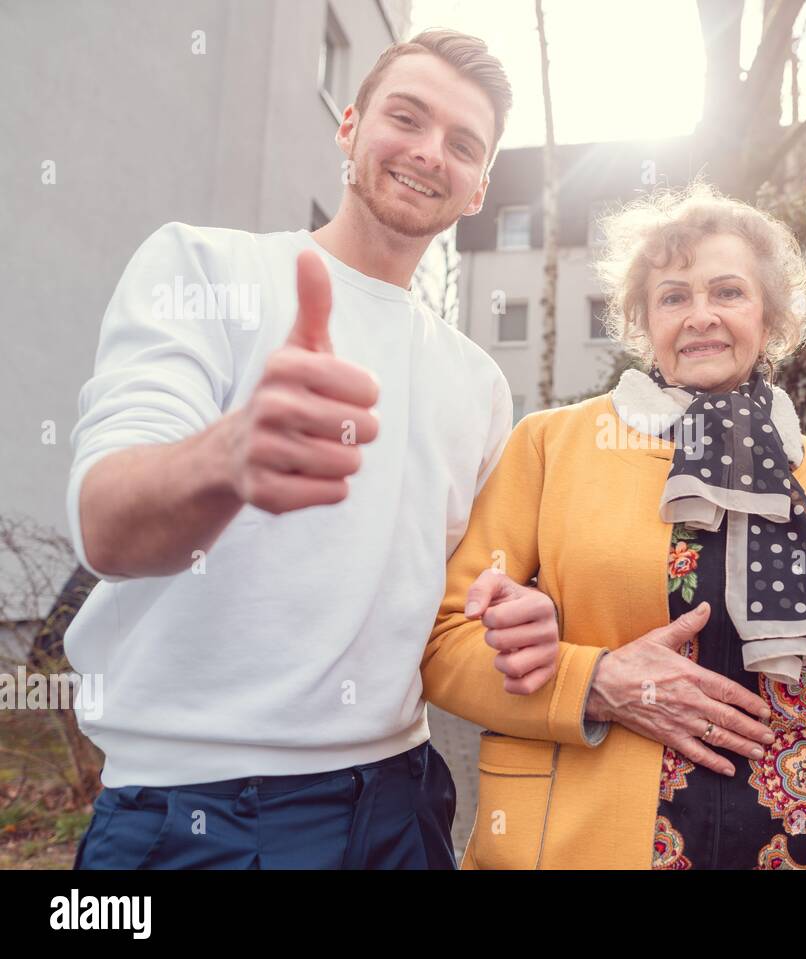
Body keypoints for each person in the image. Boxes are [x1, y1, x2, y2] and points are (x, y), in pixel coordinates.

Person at [68, 29, 555, 870]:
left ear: (478, 188)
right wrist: (227, 457)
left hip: (401, 801)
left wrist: (525, 612)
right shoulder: (202, 269)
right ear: (350, 127)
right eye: (407, 117)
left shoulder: (479, 384)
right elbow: (106, 529)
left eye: (463, 144)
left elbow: (460, 597)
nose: (430, 152)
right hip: (196, 807)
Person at [424, 183, 806, 869]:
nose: (700, 315)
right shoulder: (552, 446)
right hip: (587, 843)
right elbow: (443, 640)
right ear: (644, 319)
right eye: (673, 296)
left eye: (727, 292)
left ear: (769, 316)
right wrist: (595, 681)